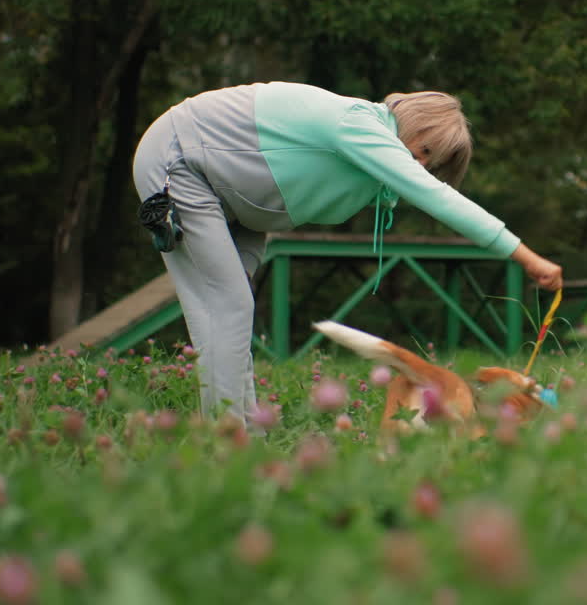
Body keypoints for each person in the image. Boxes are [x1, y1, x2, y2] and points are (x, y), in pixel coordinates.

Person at [132, 81, 563, 425]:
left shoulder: (370, 154)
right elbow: (437, 197)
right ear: (412, 119)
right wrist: (526, 256)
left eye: (431, 162)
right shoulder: (358, 123)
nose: (420, 162)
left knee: (230, 313)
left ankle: (244, 428)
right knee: (228, 306)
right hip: (181, 162)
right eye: (425, 149)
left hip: (236, 196)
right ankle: (226, 440)